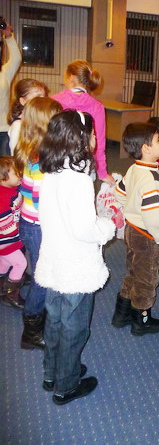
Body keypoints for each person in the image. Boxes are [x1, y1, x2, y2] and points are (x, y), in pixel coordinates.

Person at [35, 110, 115, 405]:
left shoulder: (50, 173)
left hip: (54, 260)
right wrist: (108, 226)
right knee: (75, 327)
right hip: (76, 267)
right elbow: (85, 230)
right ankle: (66, 385)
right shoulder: (78, 181)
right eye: (92, 134)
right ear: (81, 138)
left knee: (54, 320)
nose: (95, 138)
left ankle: (52, 373)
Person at [112, 122, 159, 336]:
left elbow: (119, 192)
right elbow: (153, 218)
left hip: (132, 229)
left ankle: (121, 314)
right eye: (158, 140)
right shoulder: (152, 179)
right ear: (146, 148)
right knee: (147, 279)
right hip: (147, 236)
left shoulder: (134, 168)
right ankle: (141, 321)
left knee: (134, 272)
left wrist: (132, 208)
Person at [14, 97, 63, 350]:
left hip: (31, 223)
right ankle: (31, 332)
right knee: (43, 279)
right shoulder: (41, 161)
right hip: (37, 226)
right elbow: (42, 201)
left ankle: (39, 320)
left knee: (42, 274)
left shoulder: (34, 152)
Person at [52, 60, 115, 185]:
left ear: (71, 77)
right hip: (85, 163)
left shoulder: (54, 101)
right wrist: (102, 172)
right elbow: (99, 141)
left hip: (57, 160)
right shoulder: (97, 106)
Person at [0, 156, 26, 309]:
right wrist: (19, 230)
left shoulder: (12, 189)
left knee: (5, 262)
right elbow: (4, 223)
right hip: (5, 239)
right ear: (3, 178)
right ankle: (10, 294)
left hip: (9, 238)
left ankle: (2, 284)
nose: (20, 175)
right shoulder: (2, 197)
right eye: (16, 173)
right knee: (20, 263)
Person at [8, 78, 48, 154]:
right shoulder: (18, 126)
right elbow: (15, 154)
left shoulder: (40, 121)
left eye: (44, 97)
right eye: (38, 97)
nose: (43, 101)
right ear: (23, 101)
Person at [0, 22, 22, 155]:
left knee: (6, 165)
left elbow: (16, 59)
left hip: (2, 129)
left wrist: (8, 36)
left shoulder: (4, 72)